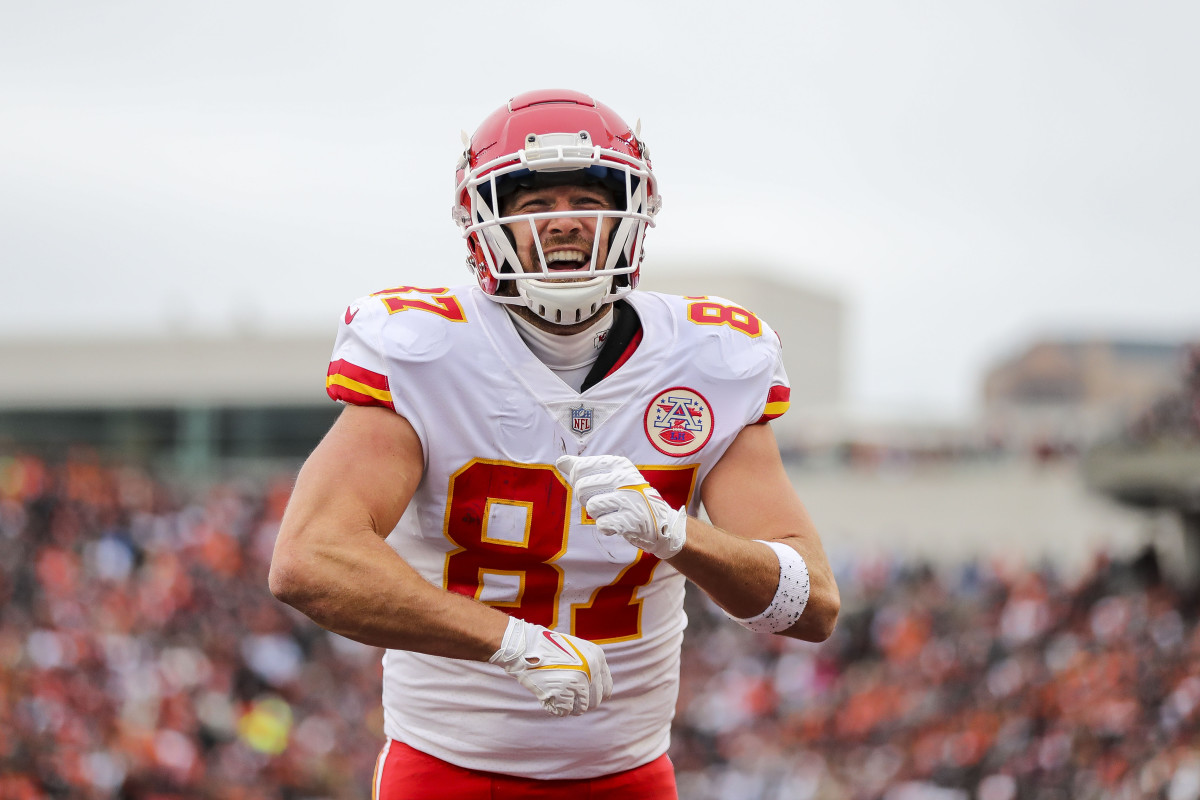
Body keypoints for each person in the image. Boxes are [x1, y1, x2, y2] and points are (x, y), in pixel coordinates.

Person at [269, 89, 840, 799]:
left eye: (587, 201)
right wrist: (511, 644)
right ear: (483, 222)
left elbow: (811, 605)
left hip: (629, 774)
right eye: (536, 203)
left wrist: (676, 533)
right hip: (449, 768)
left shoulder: (710, 356)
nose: (564, 221)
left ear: (631, 215)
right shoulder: (425, 348)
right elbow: (309, 560)